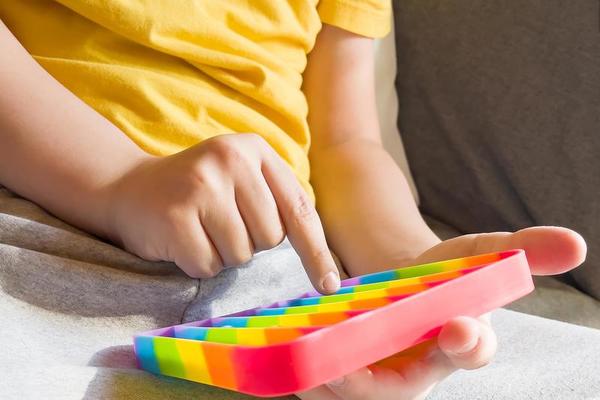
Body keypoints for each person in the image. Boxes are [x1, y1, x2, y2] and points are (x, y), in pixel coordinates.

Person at [0, 2, 594, 400]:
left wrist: (410, 265)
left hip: (290, 283)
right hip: (47, 236)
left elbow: (345, 142)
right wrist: (120, 181)